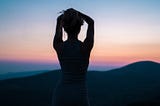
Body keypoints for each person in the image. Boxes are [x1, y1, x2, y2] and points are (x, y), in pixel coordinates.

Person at [52, 8, 94, 106]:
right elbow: (91, 22)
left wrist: (66, 16)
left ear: (64, 28)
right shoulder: (85, 47)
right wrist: (77, 13)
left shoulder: (59, 46)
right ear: (80, 28)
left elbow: (58, 20)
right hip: (79, 95)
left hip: (61, 95)